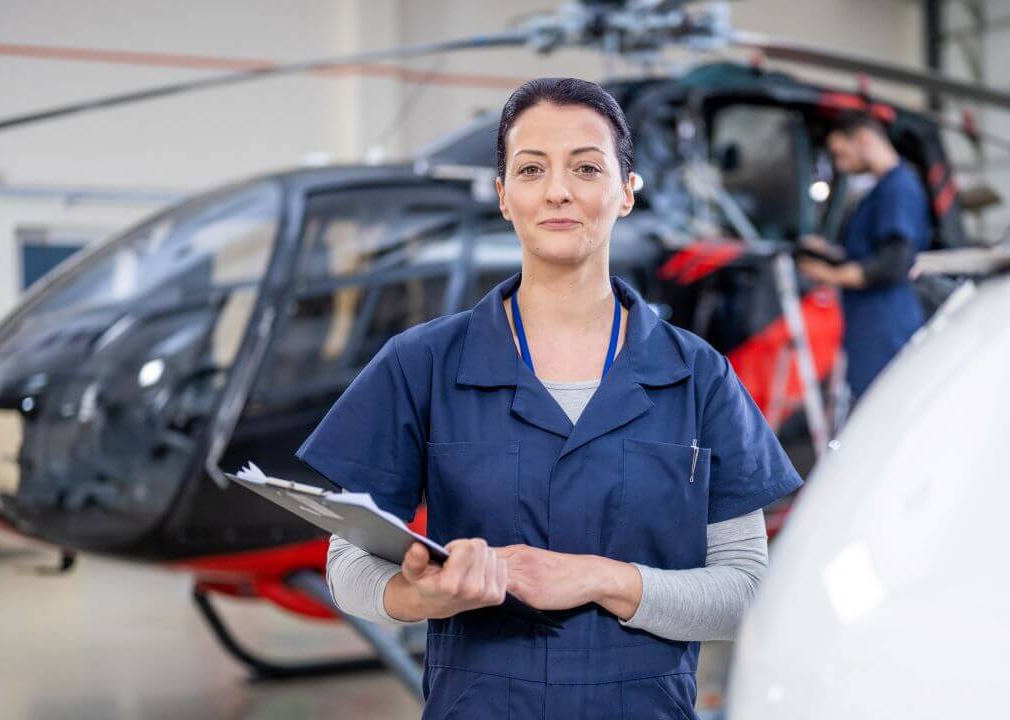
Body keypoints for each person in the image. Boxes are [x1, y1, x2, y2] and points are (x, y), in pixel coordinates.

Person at [296, 77, 802, 719]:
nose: (559, 190)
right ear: (505, 197)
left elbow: (748, 590)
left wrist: (597, 577)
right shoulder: (420, 365)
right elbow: (347, 565)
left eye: (586, 167)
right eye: (532, 169)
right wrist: (422, 597)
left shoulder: (697, 376)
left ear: (625, 191)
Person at [798, 111, 931, 399]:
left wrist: (830, 274)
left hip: (885, 326)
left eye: (841, 153)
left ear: (863, 139)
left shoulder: (898, 188)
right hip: (869, 322)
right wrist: (832, 254)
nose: (839, 164)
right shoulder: (880, 190)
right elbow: (870, 253)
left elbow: (893, 263)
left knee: (884, 407)